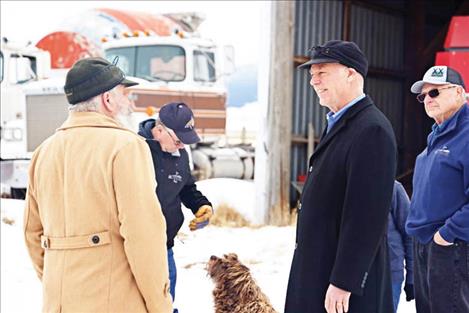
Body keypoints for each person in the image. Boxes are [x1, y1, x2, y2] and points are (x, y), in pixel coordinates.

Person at [23, 57, 172, 313]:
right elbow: (143, 237)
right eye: (124, 94)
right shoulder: (126, 147)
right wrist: (160, 306)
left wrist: (59, 282)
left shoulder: (43, 152)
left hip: (57, 303)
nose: (129, 102)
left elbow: (32, 234)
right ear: (108, 100)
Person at [284, 40, 397, 313]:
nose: (314, 81)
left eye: (322, 72)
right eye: (312, 75)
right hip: (319, 270)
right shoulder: (340, 122)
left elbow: (366, 216)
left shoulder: (371, 130)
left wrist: (344, 281)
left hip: (341, 287)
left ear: (351, 74)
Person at [138, 102, 213, 311]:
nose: (182, 146)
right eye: (179, 140)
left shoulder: (180, 154)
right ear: (159, 130)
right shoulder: (135, 150)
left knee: (165, 303)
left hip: (165, 247)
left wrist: (201, 206)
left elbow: (186, 187)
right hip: (136, 249)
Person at [406, 65, 469, 313]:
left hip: (452, 247)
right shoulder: (437, 136)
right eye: (423, 95)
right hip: (425, 245)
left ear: (458, 93)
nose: (427, 100)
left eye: (435, 93)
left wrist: (447, 235)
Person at [387, 181, 414, 312]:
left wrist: (412, 277)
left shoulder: (393, 188)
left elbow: (409, 235)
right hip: (356, 276)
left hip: (391, 275)